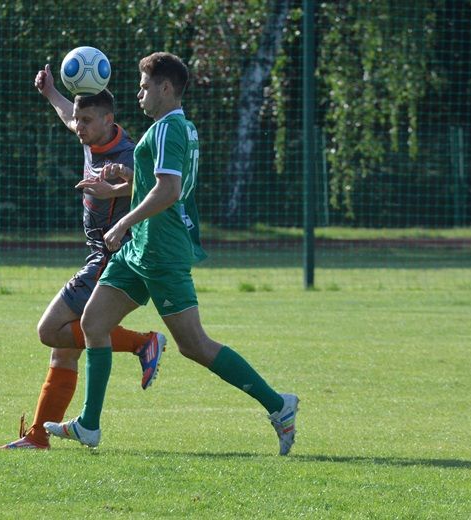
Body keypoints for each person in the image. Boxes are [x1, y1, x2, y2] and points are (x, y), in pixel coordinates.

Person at [45, 52, 299, 455]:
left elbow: (169, 191)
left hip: (160, 250)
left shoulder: (167, 129)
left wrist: (121, 221)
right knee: (94, 322)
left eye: (145, 86)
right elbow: (157, 181)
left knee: (194, 344)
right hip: (140, 249)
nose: (139, 93)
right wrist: (120, 184)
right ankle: (89, 425)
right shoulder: (179, 128)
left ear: (165, 88)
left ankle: (279, 405)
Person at [0, 64, 166, 450]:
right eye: (79, 120)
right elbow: (67, 115)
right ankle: (39, 435)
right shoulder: (91, 136)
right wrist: (51, 93)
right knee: (63, 347)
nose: (80, 127)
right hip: (95, 254)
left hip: (110, 256)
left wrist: (120, 188)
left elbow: (161, 188)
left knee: (49, 331)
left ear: (110, 120)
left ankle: (142, 343)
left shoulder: (129, 152)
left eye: (87, 120)